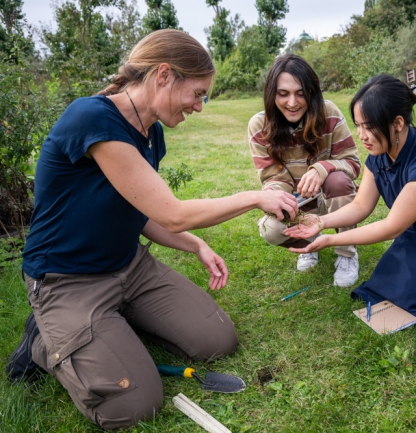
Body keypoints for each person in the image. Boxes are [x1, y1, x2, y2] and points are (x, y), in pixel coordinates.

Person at [5, 29, 297, 430]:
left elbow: (144, 213)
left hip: (129, 265)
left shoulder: (151, 133)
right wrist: (255, 197)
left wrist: (195, 245)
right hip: (67, 280)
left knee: (217, 340)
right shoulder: (92, 118)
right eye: (197, 93)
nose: (199, 106)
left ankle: (114, 323)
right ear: (163, 75)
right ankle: (43, 340)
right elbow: (173, 212)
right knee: (135, 404)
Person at [285, 75, 416, 318]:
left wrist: (331, 241)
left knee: (411, 299)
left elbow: (392, 227)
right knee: (381, 289)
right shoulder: (379, 156)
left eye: (369, 126)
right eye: (358, 125)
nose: (362, 135)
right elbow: (362, 205)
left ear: (398, 123)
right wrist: (323, 223)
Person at [248, 54, 362, 287]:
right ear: (272, 95)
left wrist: (322, 168)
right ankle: (308, 242)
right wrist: (278, 196)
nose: (292, 102)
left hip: (331, 197)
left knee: (338, 180)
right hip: (298, 202)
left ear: (312, 92)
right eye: (283, 94)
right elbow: (271, 177)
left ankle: (346, 252)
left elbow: (352, 163)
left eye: (300, 93)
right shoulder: (258, 125)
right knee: (270, 230)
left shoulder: (328, 112)